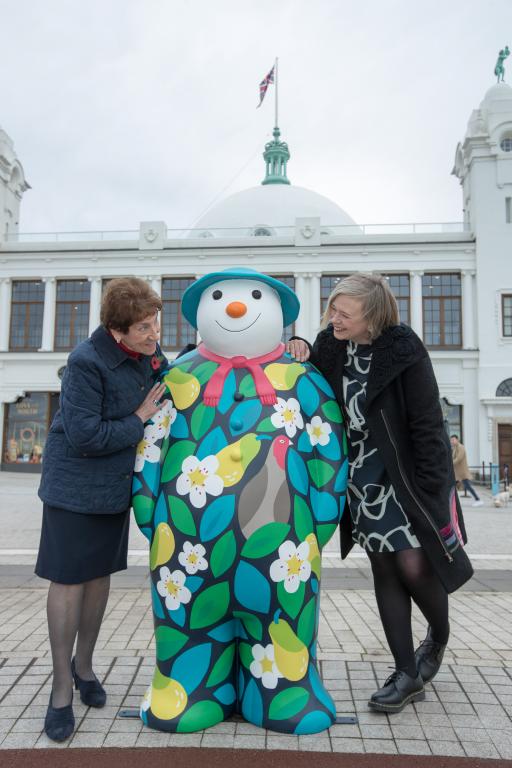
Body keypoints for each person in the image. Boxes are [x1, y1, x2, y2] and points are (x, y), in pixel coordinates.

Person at [287, 273, 473, 714]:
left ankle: (438, 637)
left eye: (344, 312)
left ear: (372, 316)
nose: (334, 317)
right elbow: (308, 371)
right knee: (385, 570)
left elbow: (428, 425)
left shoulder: (403, 349)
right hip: (363, 477)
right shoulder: (331, 344)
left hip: (406, 477)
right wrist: (298, 344)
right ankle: (406, 672)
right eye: (333, 308)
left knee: (414, 566)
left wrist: (430, 490)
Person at [36, 277, 167, 742]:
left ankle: (85, 667)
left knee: (98, 580)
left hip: (112, 490)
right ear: (117, 331)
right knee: (69, 583)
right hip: (73, 490)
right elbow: (86, 435)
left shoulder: (147, 355)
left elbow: (169, 380)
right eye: (144, 329)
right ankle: (60, 691)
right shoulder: (85, 362)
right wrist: (138, 420)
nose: (155, 335)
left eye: (156, 324)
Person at [450, 435, 483, 506]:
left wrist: (450, 463)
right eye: (451, 440)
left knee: (467, 486)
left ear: (457, 440)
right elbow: (453, 458)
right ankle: (452, 502)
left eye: (453, 440)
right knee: (452, 486)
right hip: (458, 473)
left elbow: (459, 458)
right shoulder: (455, 448)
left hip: (462, 472)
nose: (451, 441)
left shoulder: (461, 447)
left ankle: (478, 499)